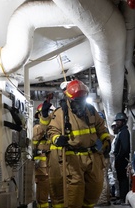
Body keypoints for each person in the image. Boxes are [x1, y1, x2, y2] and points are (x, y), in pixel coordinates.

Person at [47, 79, 111, 208]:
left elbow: (101, 128)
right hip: (72, 157)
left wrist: (106, 140)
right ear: (69, 99)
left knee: (95, 188)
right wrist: (57, 139)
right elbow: (52, 131)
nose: (80, 104)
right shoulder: (60, 113)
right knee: (75, 190)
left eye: (82, 101)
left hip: (92, 157)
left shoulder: (91, 111)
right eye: (77, 101)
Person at [32, 101, 53, 208]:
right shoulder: (38, 128)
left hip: (51, 165)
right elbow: (33, 143)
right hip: (42, 167)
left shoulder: (53, 128)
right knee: (43, 193)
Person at [113, 112, 130, 205]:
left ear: (124, 122)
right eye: (116, 121)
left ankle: (123, 198)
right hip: (120, 159)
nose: (117, 123)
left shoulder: (124, 132)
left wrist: (119, 158)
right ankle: (122, 198)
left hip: (122, 160)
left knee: (122, 179)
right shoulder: (121, 132)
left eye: (119, 121)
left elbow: (124, 148)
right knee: (120, 179)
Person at [109, 121, 120, 202]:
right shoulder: (115, 138)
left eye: (114, 127)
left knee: (117, 177)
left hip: (116, 159)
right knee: (114, 176)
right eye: (112, 127)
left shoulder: (119, 136)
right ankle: (116, 194)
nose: (113, 129)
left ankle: (118, 195)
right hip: (113, 159)